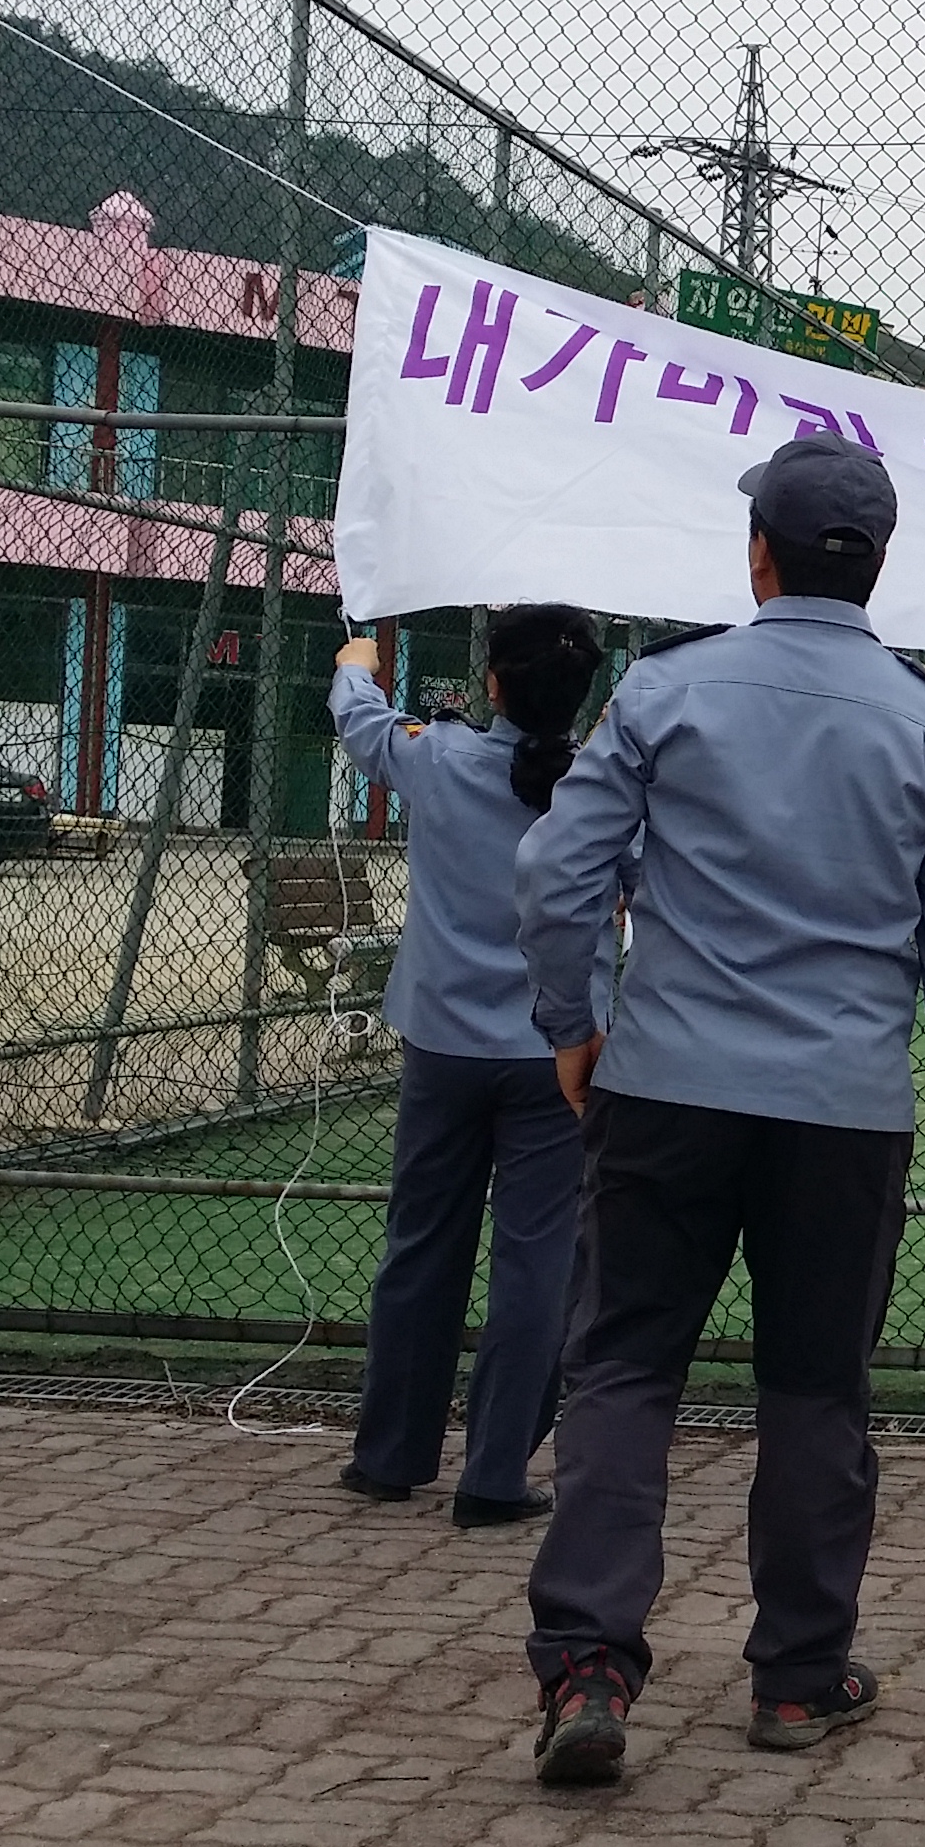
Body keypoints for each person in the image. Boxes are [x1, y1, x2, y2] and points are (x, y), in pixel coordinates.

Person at [511, 434, 925, 1789]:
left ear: (759, 556)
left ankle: (587, 1665)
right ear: (879, 567)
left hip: (666, 1085)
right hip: (844, 1110)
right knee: (814, 1388)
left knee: (623, 1367)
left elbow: (558, 875)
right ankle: (797, 1677)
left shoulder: (666, 689)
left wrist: (574, 1023)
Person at [325, 604, 608, 1529]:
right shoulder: (598, 784)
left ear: (491, 684)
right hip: (558, 1051)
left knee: (421, 1243)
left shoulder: (439, 758)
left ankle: (389, 1455)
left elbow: (363, 725)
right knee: (537, 1259)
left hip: (442, 1043)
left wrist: (357, 662)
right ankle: (494, 1473)